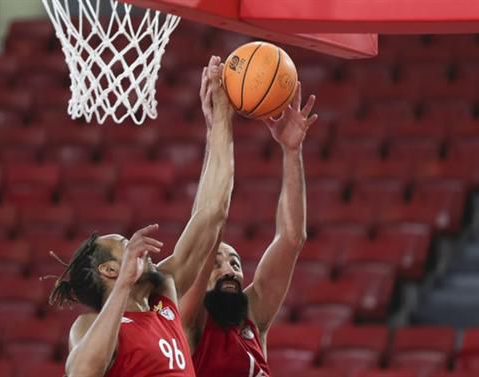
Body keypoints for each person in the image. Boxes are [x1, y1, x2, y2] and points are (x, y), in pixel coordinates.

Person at [47, 55, 235, 377]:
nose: (139, 248)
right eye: (125, 245)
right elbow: (80, 372)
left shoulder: (163, 295)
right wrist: (124, 286)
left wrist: (220, 121)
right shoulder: (89, 325)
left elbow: (212, 213)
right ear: (109, 269)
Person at [180, 82, 317, 377]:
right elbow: (207, 225)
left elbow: (292, 239)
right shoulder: (189, 323)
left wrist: (292, 152)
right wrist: (219, 125)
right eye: (216, 265)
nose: (229, 270)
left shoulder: (251, 313)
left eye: (235, 263)